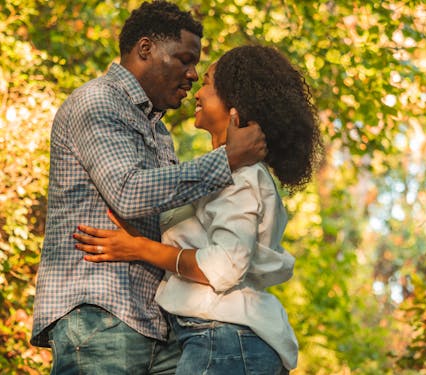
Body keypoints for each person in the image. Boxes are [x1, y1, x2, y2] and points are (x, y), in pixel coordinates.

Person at [31, 2, 266, 374]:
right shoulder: (97, 102)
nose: (192, 74)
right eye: (185, 60)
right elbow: (128, 191)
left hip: (157, 323)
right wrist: (227, 160)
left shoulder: (158, 130)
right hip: (100, 313)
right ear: (146, 49)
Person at [73, 45, 322, 374]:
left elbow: (224, 265)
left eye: (207, 82)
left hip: (226, 339)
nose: (197, 91)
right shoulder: (219, 175)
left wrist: (140, 249)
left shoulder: (242, 176)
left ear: (236, 104)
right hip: (220, 339)